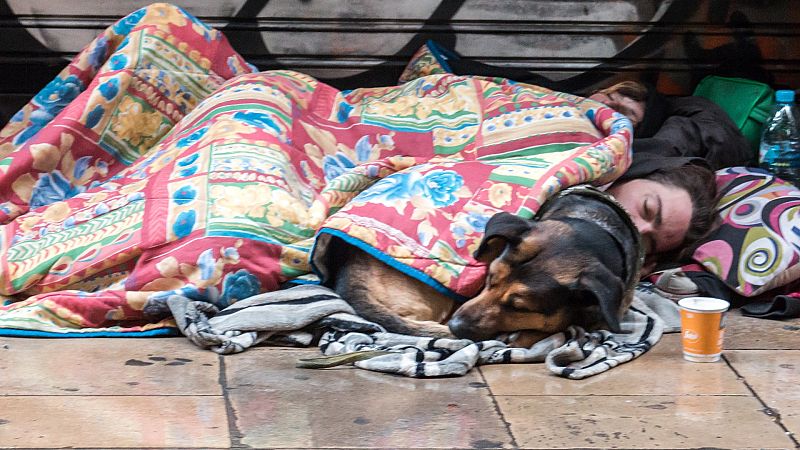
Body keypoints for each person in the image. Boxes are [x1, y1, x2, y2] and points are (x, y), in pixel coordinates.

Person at [0, 3, 717, 334]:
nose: (639, 227)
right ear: (634, 175)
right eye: (648, 207)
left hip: (299, 176)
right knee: (164, 30)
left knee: (229, 222)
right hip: (307, 117)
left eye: (655, 238)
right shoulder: (582, 138)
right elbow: (440, 118)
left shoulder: (586, 270)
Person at [588, 80, 754, 169]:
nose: (606, 109)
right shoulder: (568, 104)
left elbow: (672, 144)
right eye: (609, 97)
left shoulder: (683, 125)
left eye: (620, 115)